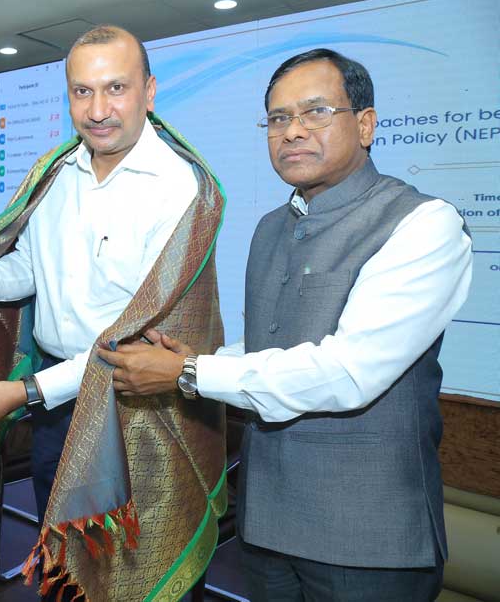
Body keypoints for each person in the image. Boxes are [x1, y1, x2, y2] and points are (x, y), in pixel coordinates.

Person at [97, 49, 472, 601]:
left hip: (366, 540)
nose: (292, 131)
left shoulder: (422, 223)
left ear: (365, 125)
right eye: (278, 118)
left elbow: (347, 371)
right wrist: (202, 360)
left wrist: (189, 373)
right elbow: (274, 346)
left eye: (316, 112)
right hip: (266, 526)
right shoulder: (271, 227)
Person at [0, 26, 227, 599]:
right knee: (71, 569)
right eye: (82, 91)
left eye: (116, 88)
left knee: (142, 569)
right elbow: (33, 267)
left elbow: (136, 337)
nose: (97, 110)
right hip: (57, 411)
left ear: (149, 91)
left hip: (140, 413)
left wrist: (26, 392)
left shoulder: (179, 188)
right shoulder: (58, 171)